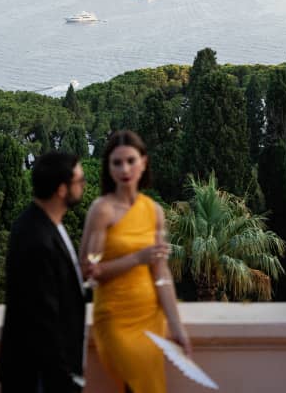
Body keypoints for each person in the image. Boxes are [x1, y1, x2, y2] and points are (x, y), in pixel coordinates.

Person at [80, 130, 190, 393]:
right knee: (134, 383)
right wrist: (136, 258)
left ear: (143, 162)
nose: (124, 169)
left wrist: (176, 327)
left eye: (131, 160)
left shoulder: (154, 212)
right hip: (115, 317)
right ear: (108, 168)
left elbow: (161, 273)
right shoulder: (102, 210)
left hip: (150, 317)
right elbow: (89, 271)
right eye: (117, 162)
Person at [0, 151, 87, 392]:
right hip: (40, 376)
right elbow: (42, 319)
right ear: (61, 189)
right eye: (79, 181)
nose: (83, 187)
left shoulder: (43, 225)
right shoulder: (37, 237)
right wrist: (64, 379)